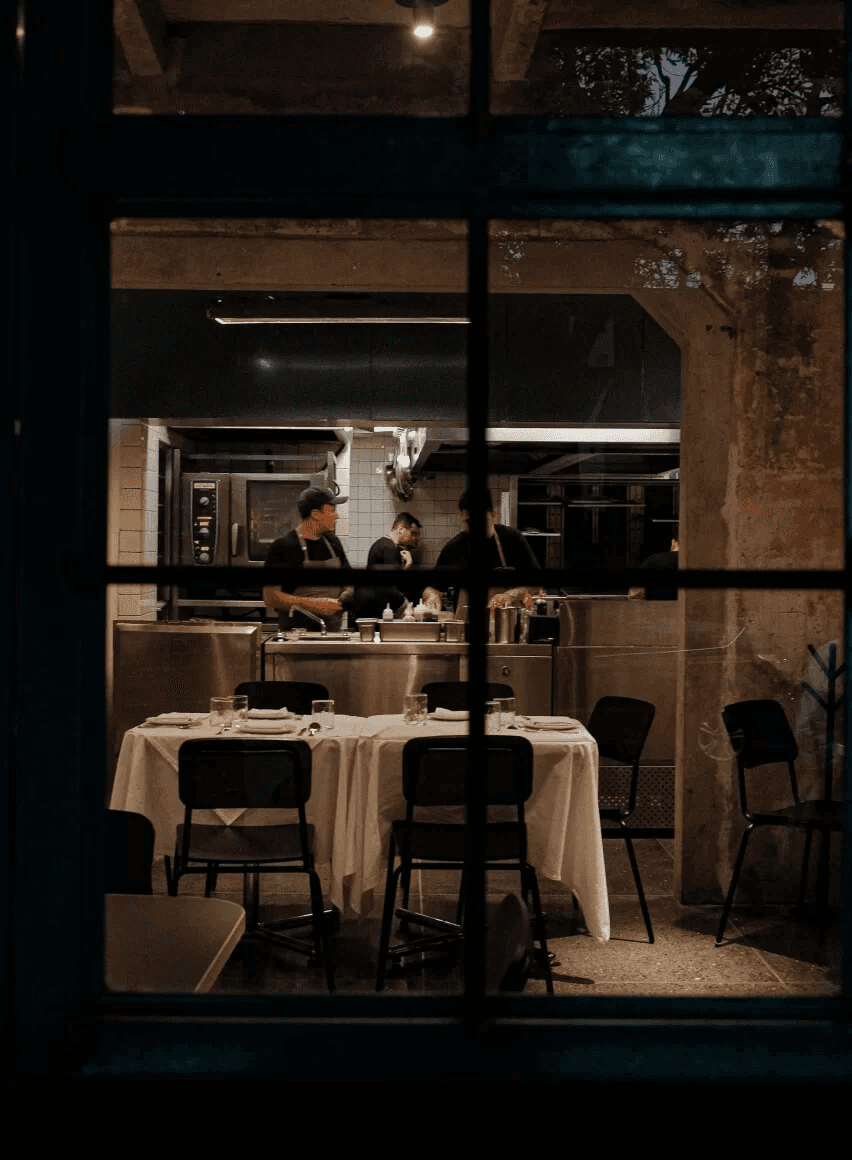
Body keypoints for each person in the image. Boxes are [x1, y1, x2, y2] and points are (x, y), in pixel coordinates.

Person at [435, 487, 545, 612]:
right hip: (465, 621)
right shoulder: (452, 548)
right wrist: (431, 596)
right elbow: (435, 588)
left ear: (493, 514)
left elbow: (537, 583)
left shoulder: (512, 539)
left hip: (507, 620)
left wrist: (510, 595)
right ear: (461, 516)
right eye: (469, 522)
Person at [262, 486, 354, 631]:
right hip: (297, 636)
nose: (336, 516)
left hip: (331, 633)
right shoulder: (284, 546)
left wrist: (347, 593)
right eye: (332, 511)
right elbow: (270, 597)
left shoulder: (333, 542)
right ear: (316, 514)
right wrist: (314, 604)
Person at [363, 512, 442, 615]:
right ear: (401, 530)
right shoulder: (389, 548)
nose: (416, 538)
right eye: (413, 533)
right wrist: (407, 607)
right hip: (379, 610)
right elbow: (393, 587)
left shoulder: (382, 544)